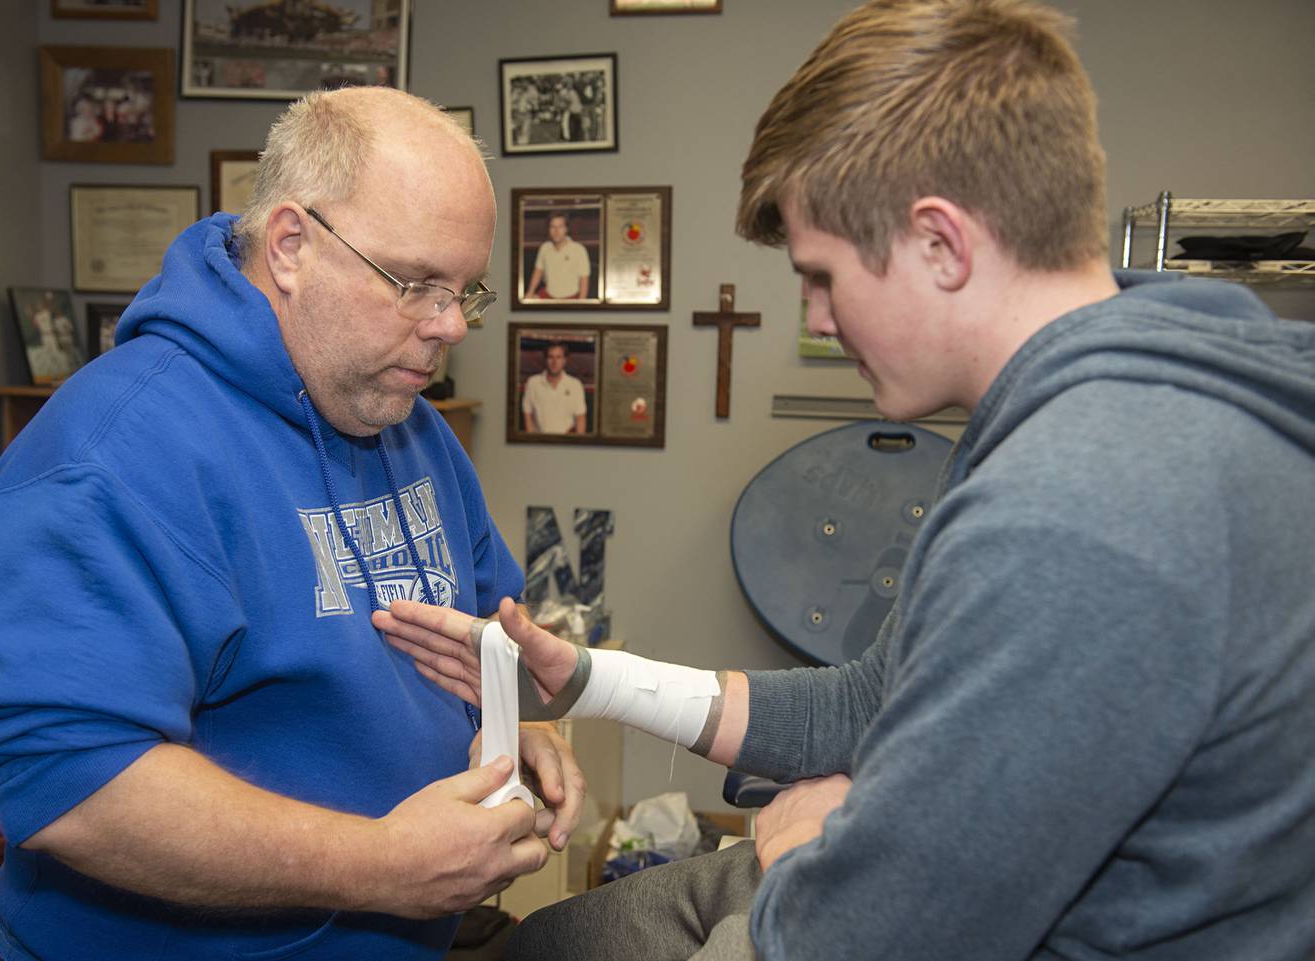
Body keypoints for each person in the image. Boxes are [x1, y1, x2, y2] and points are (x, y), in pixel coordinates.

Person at [376, 1, 1315, 959]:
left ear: (940, 244)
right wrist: (593, 680)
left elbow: (873, 930)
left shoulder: (1079, 505)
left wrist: (788, 851)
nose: (817, 319)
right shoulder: (1123, 391)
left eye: (821, 276)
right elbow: (871, 705)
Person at [0, 87, 586, 961]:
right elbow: (70, 786)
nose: (449, 326)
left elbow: (486, 641)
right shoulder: (109, 454)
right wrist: (377, 864)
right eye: (416, 285)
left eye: (463, 292)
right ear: (291, 245)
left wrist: (519, 729)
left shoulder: (410, 423)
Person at [522, 341, 588, 434]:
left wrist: (577, 445)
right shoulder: (532, 383)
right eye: (550, 357)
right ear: (545, 359)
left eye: (558, 357)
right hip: (539, 443)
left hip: (566, 444)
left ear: (565, 360)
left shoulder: (575, 385)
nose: (554, 362)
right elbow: (527, 415)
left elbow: (580, 419)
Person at [526, 211, 591, 300]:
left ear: (566, 229)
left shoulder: (579, 250)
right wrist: (530, 293)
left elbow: (584, 280)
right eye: (553, 227)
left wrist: (581, 304)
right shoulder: (545, 248)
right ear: (548, 229)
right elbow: (538, 272)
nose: (556, 231)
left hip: (571, 298)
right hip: (548, 296)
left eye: (560, 227)